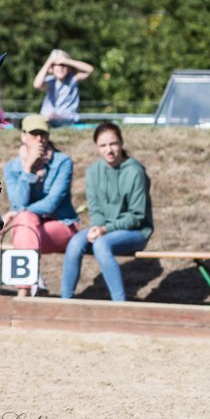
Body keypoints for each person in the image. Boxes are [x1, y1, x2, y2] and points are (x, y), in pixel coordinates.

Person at [61, 122, 153, 301]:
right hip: (104, 229)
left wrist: (104, 230)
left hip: (136, 231)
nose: (109, 150)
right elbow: (95, 208)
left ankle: (119, 304)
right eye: (103, 145)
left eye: (113, 143)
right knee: (75, 243)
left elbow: (137, 216)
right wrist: (97, 227)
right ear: (97, 147)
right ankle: (65, 301)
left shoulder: (135, 171)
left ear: (121, 143)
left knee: (101, 245)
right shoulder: (93, 172)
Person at [3, 114, 78, 296]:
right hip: (28, 228)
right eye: (34, 133)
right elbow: (19, 201)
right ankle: (31, 285)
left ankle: (23, 293)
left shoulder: (62, 162)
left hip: (62, 224)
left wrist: (16, 212)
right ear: (23, 135)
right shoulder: (12, 168)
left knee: (22, 221)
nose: (39, 139)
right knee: (24, 221)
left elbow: (52, 203)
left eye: (43, 134)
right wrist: (27, 168)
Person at [32, 48, 95, 126]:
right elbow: (36, 85)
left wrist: (67, 61)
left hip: (68, 118)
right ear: (52, 68)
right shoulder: (50, 81)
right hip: (48, 118)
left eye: (63, 65)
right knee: (41, 117)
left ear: (68, 67)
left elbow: (90, 70)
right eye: (57, 65)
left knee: (52, 116)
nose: (60, 67)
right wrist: (49, 61)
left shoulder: (73, 79)